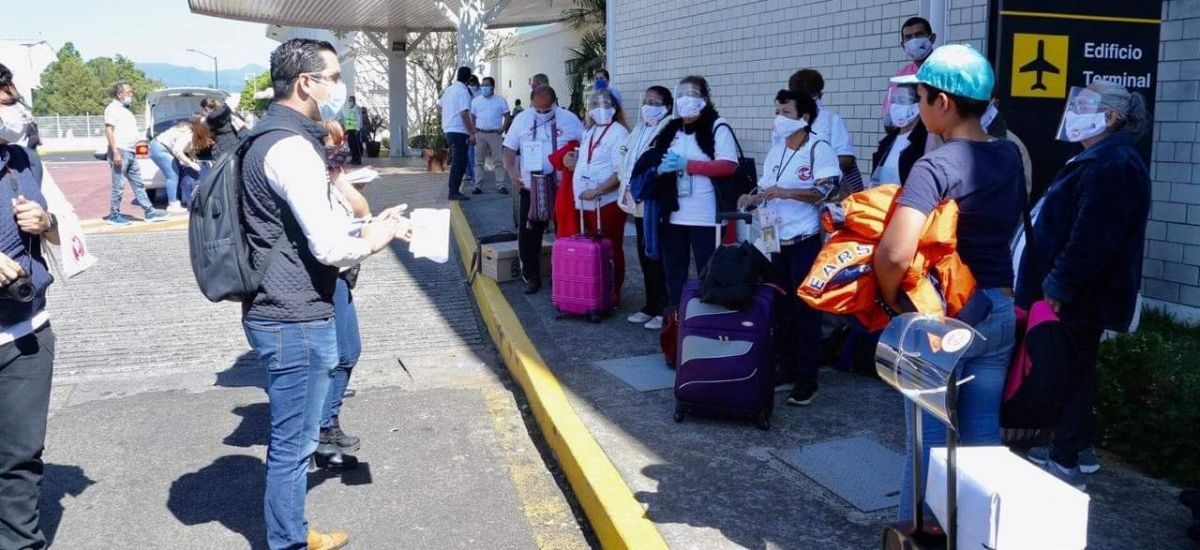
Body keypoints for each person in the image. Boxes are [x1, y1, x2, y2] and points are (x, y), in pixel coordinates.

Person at [240, 38, 409, 550]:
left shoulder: (268, 135)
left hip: (279, 307)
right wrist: (375, 238)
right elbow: (328, 246)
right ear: (305, 83)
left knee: (293, 440)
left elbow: (297, 227)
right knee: (293, 445)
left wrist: (364, 225)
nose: (340, 86)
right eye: (333, 77)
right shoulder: (291, 147)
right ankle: (288, 542)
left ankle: (290, 532)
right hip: (293, 315)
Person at [877, 45, 1023, 521]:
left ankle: (913, 536)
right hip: (999, 307)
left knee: (928, 442)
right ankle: (980, 534)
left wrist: (889, 298)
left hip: (942, 318)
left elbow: (895, 251)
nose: (916, 109)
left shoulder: (934, 165)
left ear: (942, 102)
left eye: (919, 97)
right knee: (982, 437)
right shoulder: (1008, 156)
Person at [1016, 80, 1151, 490]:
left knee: (1073, 373)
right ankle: (1060, 445)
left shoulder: (1115, 164)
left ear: (1111, 117)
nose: (1075, 111)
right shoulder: (1093, 157)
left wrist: (1059, 286)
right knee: (1067, 369)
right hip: (1069, 294)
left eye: (1086, 105)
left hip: (1079, 298)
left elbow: (1093, 238)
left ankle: (1066, 458)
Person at [0, 61, 78, 550]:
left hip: (25, 333)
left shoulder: (26, 161)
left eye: (8, 98)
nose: (10, 108)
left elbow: (69, 236)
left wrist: (45, 221)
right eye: (4, 99)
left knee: (20, 459)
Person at [737, 90, 841, 406]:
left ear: (804, 117)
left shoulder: (818, 148)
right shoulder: (777, 149)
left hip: (804, 241)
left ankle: (808, 379)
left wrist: (787, 191)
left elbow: (829, 190)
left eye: (786, 112)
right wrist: (752, 197)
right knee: (780, 308)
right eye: (777, 111)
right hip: (774, 239)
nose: (779, 118)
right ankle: (787, 367)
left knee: (805, 310)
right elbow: (767, 187)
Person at [648, 76, 739, 314]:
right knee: (674, 271)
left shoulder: (717, 126)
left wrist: (689, 165)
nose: (686, 100)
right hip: (674, 213)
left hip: (705, 215)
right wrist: (659, 169)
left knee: (706, 270)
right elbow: (654, 158)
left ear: (705, 99)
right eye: (681, 95)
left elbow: (728, 165)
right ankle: (677, 318)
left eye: (693, 95)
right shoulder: (671, 128)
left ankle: (706, 318)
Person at [313, 121, 373, 467]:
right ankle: (320, 429)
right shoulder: (308, 186)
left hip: (339, 277)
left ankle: (326, 423)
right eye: (333, 146)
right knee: (337, 355)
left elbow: (362, 210)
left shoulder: (330, 180)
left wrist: (340, 178)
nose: (340, 152)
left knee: (348, 351)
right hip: (325, 277)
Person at [502, 85, 585, 294]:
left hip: (561, 187)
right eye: (538, 110)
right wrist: (512, 171)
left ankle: (561, 275)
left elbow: (585, 146)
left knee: (564, 231)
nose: (541, 114)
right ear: (531, 104)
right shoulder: (522, 119)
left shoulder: (569, 119)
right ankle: (531, 276)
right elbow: (509, 150)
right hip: (531, 187)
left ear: (555, 104)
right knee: (529, 233)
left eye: (546, 110)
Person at [617, 86, 673, 330]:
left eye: (656, 101)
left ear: (668, 106)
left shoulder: (671, 129)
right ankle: (650, 305)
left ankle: (664, 308)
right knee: (644, 253)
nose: (649, 105)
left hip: (655, 203)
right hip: (638, 200)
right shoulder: (640, 128)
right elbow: (626, 156)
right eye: (647, 101)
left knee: (658, 255)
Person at [569, 89, 630, 304]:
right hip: (585, 202)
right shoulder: (589, 131)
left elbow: (620, 172)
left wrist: (598, 190)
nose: (599, 108)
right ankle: (595, 287)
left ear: (614, 107)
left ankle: (613, 291)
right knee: (592, 248)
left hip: (606, 202)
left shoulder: (619, 133)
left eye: (605, 103)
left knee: (611, 246)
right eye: (595, 103)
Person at [104, 82, 167, 226]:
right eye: (129, 92)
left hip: (130, 151)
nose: (131, 95)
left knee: (138, 184)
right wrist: (115, 152)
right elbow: (109, 130)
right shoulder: (113, 109)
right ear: (119, 94)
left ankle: (149, 211)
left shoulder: (124, 110)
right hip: (120, 150)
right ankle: (114, 214)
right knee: (118, 185)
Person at [787, 69, 858, 194]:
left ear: (816, 95)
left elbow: (847, 159)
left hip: (827, 192)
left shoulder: (831, 121)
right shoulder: (787, 124)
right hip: (796, 192)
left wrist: (813, 166)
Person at [869, 84, 934, 187]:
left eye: (903, 100)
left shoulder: (926, 142)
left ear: (917, 105)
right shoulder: (886, 143)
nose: (896, 106)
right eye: (894, 100)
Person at [148, 114, 213, 214]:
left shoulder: (191, 131)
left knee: (176, 172)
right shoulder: (188, 134)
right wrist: (191, 163)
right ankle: (172, 205)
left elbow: (189, 150)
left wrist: (193, 160)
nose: (206, 125)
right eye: (204, 124)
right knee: (173, 175)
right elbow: (177, 151)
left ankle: (177, 199)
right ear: (199, 125)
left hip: (161, 147)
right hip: (160, 149)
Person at [883, 17, 938, 127]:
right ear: (903, 45)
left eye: (919, 34)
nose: (913, 41)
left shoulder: (948, 71)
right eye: (908, 37)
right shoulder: (900, 77)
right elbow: (889, 122)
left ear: (931, 39)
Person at [469, 76, 511, 195]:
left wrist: (502, 129)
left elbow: (507, 115)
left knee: (498, 161)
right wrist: (473, 132)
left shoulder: (500, 100)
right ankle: (478, 185)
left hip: (495, 134)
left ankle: (500, 185)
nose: (483, 88)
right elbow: (472, 117)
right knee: (479, 161)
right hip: (480, 133)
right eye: (482, 85)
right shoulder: (476, 101)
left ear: (492, 87)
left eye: (486, 85)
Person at [440, 66, 476, 201]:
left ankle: (453, 190)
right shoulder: (463, 91)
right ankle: (454, 192)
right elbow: (464, 113)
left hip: (448, 129)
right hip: (459, 131)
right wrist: (472, 132)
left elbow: (439, 106)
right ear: (468, 78)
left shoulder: (449, 90)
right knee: (459, 163)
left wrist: (447, 119)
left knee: (457, 161)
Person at [338, 95, 363, 165]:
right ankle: (354, 158)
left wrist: (357, 129)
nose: (349, 102)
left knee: (356, 145)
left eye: (351, 100)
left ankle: (358, 159)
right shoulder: (348, 109)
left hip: (355, 130)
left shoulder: (356, 109)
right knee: (351, 145)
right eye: (349, 100)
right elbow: (347, 119)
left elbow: (359, 120)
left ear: (354, 101)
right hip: (349, 130)